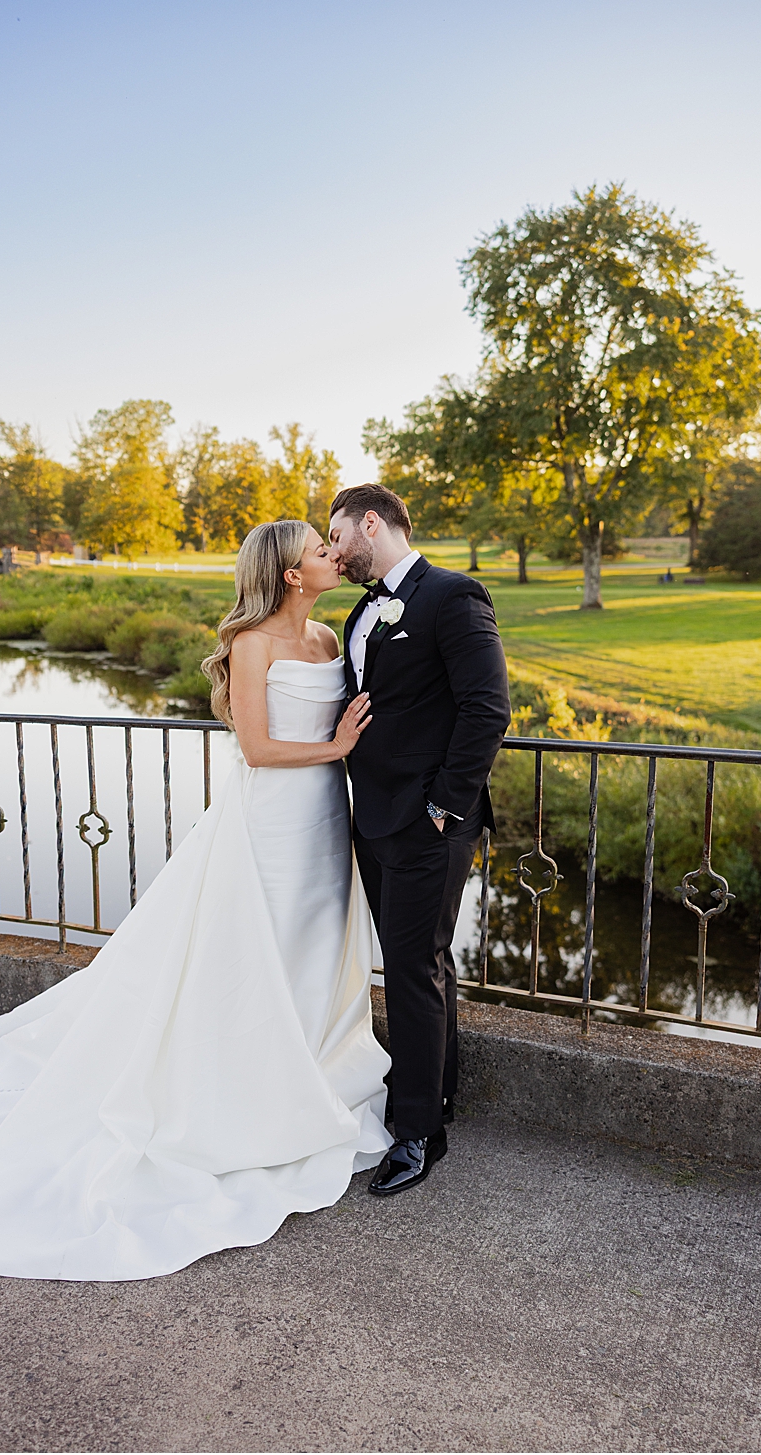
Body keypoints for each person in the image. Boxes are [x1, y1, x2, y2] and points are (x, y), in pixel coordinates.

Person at [0, 518, 393, 1281]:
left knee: (312, 943)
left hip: (325, 822)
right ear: (290, 572)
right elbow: (258, 750)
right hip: (271, 819)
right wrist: (334, 748)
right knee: (254, 947)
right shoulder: (252, 644)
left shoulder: (331, 640)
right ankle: (247, 1081)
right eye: (318, 549)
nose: (333, 555)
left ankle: (309, 1062)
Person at [326, 483, 509, 1196]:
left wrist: (441, 806)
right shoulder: (360, 611)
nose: (334, 550)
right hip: (373, 818)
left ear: (372, 522)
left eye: (338, 534)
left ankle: (417, 1135)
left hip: (429, 823)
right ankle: (438, 1096)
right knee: (422, 963)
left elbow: (487, 710)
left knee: (410, 968)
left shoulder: (453, 596)